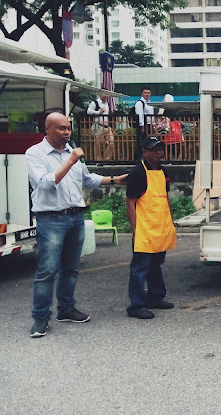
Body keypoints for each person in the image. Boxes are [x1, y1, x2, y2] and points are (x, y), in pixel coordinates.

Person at [25, 112, 128, 338]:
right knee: (47, 270)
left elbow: (87, 178)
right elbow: (45, 183)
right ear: (48, 129)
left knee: (71, 268)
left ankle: (66, 309)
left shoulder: (71, 151)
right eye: (62, 128)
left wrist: (113, 180)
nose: (67, 132)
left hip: (75, 217)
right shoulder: (35, 153)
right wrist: (71, 161)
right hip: (51, 219)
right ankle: (40, 318)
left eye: (69, 128)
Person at [125, 136, 177, 319]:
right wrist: (135, 229)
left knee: (156, 265)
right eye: (154, 149)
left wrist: (170, 220)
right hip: (145, 228)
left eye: (160, 149)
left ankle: (156, 296)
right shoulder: (138, 173)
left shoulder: (163, 171)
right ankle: (136, 305)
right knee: (140, 268)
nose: (159, 152)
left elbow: (165, 197)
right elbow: (130, 203)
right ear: (144, 152)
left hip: (160, 225)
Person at [86, 93, 114, 161]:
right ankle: (98, 160)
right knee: (98, 144)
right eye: (104, 94)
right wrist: (98, 112)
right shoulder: (95, 102)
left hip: (107, 126)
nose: (105, 95)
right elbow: (88, 111)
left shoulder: (108, 103)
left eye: (107, 94)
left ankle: (107, 159)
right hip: (98, 125)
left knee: (111, 142)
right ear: (100, 94)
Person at [133, 87, 154, 159]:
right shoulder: (140, 103)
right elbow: (140, 115)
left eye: (148, 93)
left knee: (149, 142)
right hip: (144, 125)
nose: (147, 94)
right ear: (142, 94)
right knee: (142, 142)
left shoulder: (150, 103)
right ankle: (139, 158)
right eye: (145, 93)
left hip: (150, 124)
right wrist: (142, 126)